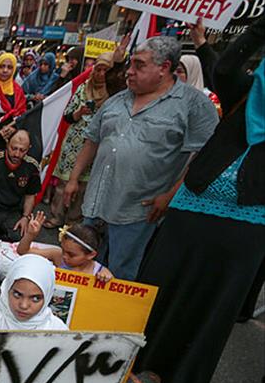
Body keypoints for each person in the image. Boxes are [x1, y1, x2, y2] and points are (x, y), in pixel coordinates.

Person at [133, 19, 265, 383]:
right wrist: (260, 29)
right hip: (193, 206)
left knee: (212, 303)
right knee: (161, 283)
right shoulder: (246, 91)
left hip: (248, 223)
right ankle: (134, 358)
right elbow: (224, 67)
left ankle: (180, 379)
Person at [63, 36, 219, 280]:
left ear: (164, 67)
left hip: (137, 211)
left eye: (139, 65)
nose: (130, 71)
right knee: (84, 267)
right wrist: (73, 179)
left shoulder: (193, 105)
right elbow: (92, 140)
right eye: (131, 64)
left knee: (120, 274)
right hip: (96, 204)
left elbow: (204, 157)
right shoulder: (116, 101)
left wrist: (170, 196)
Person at [46, 52, 114, 229]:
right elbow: (67, 115)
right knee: (64, 182)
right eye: (98, 69)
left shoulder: (113, 94)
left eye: (106, 71)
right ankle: (56, 216)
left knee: (83, 184)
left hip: (95, 145)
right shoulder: (84, 88)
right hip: (73, 144)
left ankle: (73, 220)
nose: (101, 74)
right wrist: (80, 112)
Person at [18, 212, 114, 281]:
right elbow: (23, 252)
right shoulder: (57, 255)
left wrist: (107, 278)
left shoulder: (100, 272)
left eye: (71, 255)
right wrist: (30, 235)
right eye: (63, 250)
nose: (64, 256)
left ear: (91, 255)